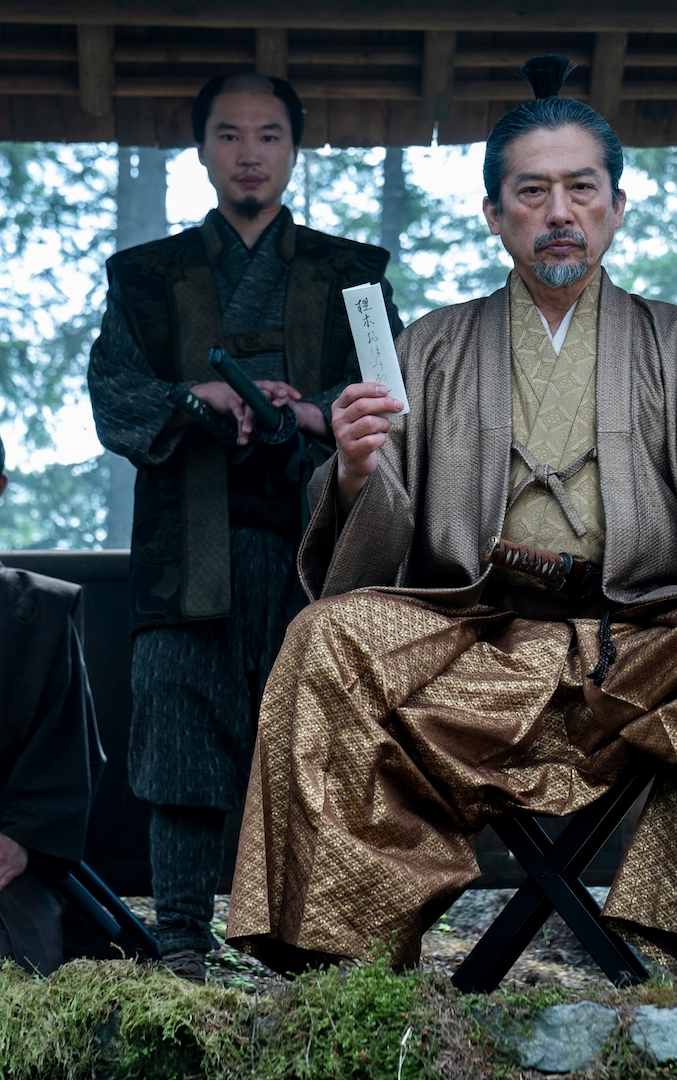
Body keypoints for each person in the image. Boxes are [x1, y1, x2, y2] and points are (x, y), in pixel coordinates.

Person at [226, 55, 677, 989]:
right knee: (324, 638)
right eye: (533, 191)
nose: (560, 211)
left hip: (640, 637)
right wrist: (355, 471)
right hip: (475, 636)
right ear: (494, 215)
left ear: (617, 207)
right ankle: (339, 951)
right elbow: (369, 550)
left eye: (581, 189)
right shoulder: (431, 345)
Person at [87, 72, 403, 983]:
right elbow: (115, 395)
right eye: (229, 136)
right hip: (188, 547)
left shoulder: (351, 274)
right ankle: (182, 933)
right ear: (203, 151)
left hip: (315, 543)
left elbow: (391, 395)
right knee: (179, 720)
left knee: (317, 735)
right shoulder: (147, 278)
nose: (249, 154)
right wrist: (198, 399)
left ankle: (311, 940)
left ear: (294, 151)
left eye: (268, 136)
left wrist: (309, 413)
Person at [0, 435, 105, 974]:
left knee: (22, 959)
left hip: (6, 858)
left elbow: (66, 750)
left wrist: (17, 839)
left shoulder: (35, 615)